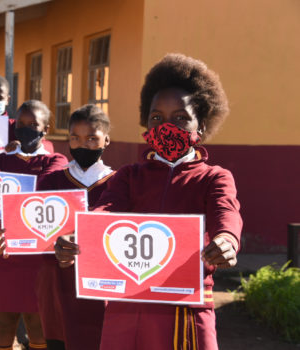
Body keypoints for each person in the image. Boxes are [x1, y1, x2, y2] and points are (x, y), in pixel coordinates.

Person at [56, 53, 243, 350]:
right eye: (157, 118)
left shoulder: (213, 178)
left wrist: (227, 240)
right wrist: (80, 236)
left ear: (201, 126)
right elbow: (106, 211)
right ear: (146, 123)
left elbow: (226, 213)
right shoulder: (130, 175)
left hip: (185, 306)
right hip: (127, 304)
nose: (167, 126)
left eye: (180, 118)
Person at [0, 100, 68, 350]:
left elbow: (43, 190)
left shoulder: (56, 160)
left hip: (38, 252)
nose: (26, 129)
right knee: (1, 323)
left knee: (39, 325)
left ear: (45, 129)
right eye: (22, 124)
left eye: (33, 124)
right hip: (0, 248)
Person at [35, 105, 114, 350]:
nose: (83, 145)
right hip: (56, 277)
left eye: (92, 138)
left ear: (106, 140)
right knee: (59, 338)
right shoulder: (52, 180)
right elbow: (35, 226)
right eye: (75, 138)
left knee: (98, 338)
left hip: (101, 283)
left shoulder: (118, 182)